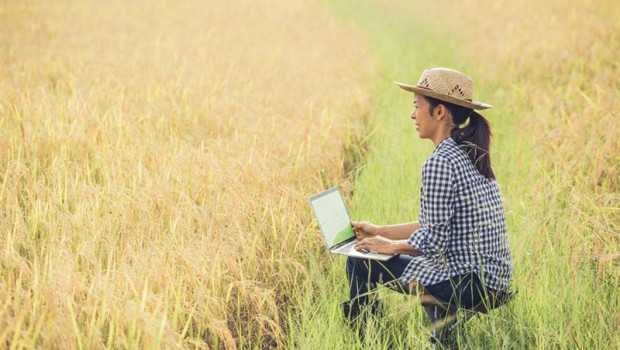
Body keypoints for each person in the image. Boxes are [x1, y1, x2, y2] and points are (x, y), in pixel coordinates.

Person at [343, 68, 513, 340]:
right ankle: (443, 337)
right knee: (417, 258)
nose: (412, 115)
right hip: (493, 279)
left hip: (467, 283)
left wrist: (389, 247)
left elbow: (433, 240)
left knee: (359, 260)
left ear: (439, 112)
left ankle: (363, 339)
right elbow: (435, 226)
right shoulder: (468, 153)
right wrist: (379, 231)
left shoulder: (440, 162)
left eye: (416, 107)